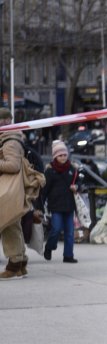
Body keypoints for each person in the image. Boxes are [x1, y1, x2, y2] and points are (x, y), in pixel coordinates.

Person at [0, 108, 33, 280]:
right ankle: (20, 264)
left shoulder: (10, 141)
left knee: (8, 226)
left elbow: (13, 166)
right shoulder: (11, 139)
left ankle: (14, 266)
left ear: (5, 121)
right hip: (12, 190)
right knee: (13, 226)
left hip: (9, 190)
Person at [38, 140, 79, 263]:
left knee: (70, 232)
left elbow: (79, 182)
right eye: (60, 155)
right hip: (55, 206)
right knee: (55, 229)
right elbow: (44, 191)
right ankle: (49, 247)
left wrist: (77, 187)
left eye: (65, 155)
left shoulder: (72, 169)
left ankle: (68, 255)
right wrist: (40, 206)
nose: (63, 157)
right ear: (55, 156)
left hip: (69, 205)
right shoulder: (50, 171)